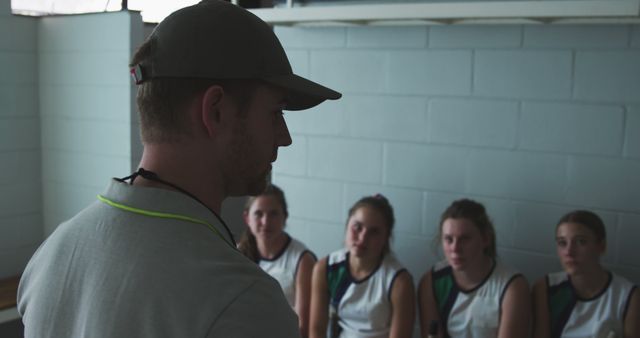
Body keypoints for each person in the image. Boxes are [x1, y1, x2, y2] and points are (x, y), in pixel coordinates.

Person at [17, 1, 341, 337]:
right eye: (276, 113)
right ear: (215, 111)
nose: (284, 137)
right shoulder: (243, 300)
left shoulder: (53, 254)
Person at [417, 198, 531, 338]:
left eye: (464, 239)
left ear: (485, 239)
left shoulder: (512, 286)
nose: (455, 248)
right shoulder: (432, 281)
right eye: (448, 239)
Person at [309, 194, 415, 338]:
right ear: (347, 225)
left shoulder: (399, 281)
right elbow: (316, 329)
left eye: (374, 232)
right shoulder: (325, 268)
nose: (363, 238)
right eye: (357, 227)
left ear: (386, 237)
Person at [532, 210, 639, 338]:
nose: (569, 252)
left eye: (580, 241)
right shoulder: (545, 287)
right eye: (562, 243)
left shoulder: (628, 296)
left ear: (601, 246)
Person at [238, 184, 317, 337]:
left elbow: (303, 328)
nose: (266, 222)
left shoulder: (303, 260)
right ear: (247, 218)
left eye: (273, 214)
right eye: (258, 214)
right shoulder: (238, 252)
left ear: (285, 217)